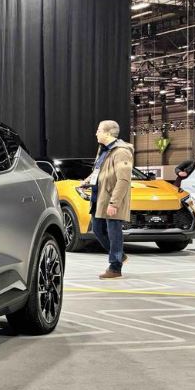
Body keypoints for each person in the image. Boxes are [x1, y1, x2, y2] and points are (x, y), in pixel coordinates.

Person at [84, 120, 134, 280]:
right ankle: (119, 255)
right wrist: (87, 181)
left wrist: (114, 203)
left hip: (112, 199)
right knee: (98, 230)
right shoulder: (103, 150)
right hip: (98, 198)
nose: (96, 133)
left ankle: (115, 267)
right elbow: (98, 171)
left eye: (99, 130)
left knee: (114, 234)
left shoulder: (121, 152)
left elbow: (124, 180)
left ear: (107, 133)